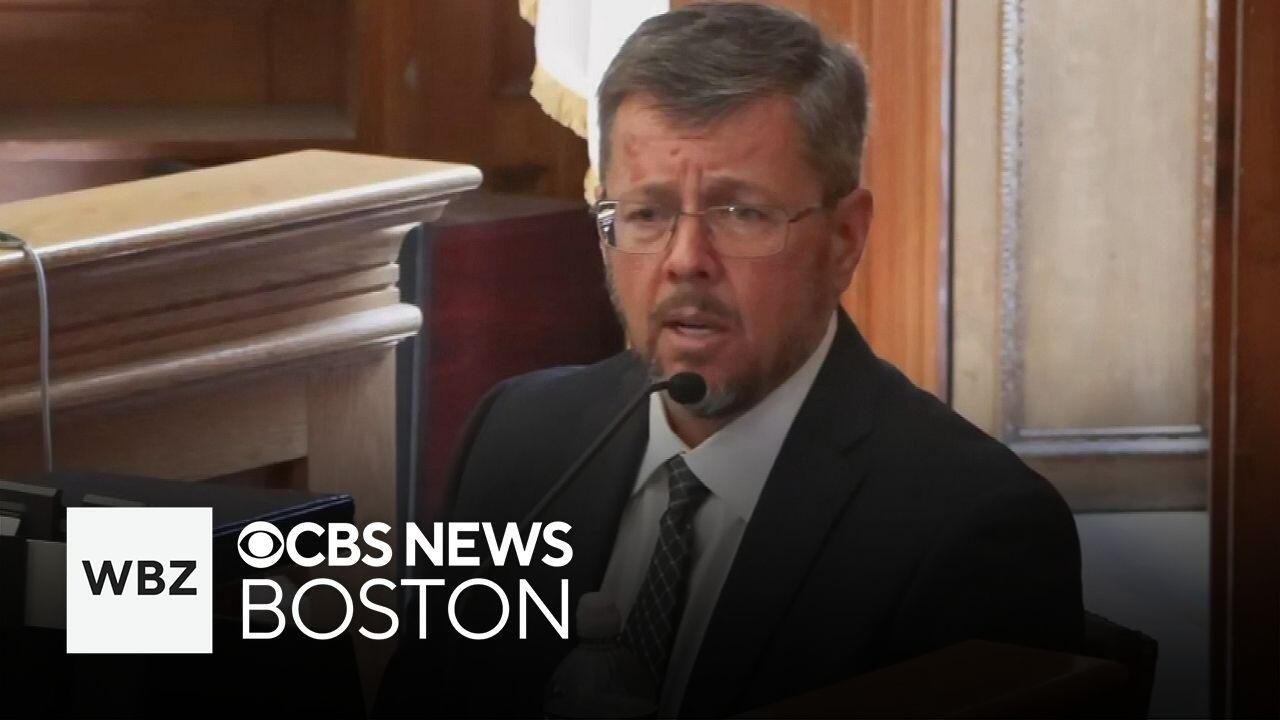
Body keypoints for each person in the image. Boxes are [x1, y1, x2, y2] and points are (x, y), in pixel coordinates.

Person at [376, 3, 1083, 717]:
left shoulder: (975, 529)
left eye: (741, 213)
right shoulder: (515, 440)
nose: (685, 261)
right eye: (648, 214)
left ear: (844, 239)